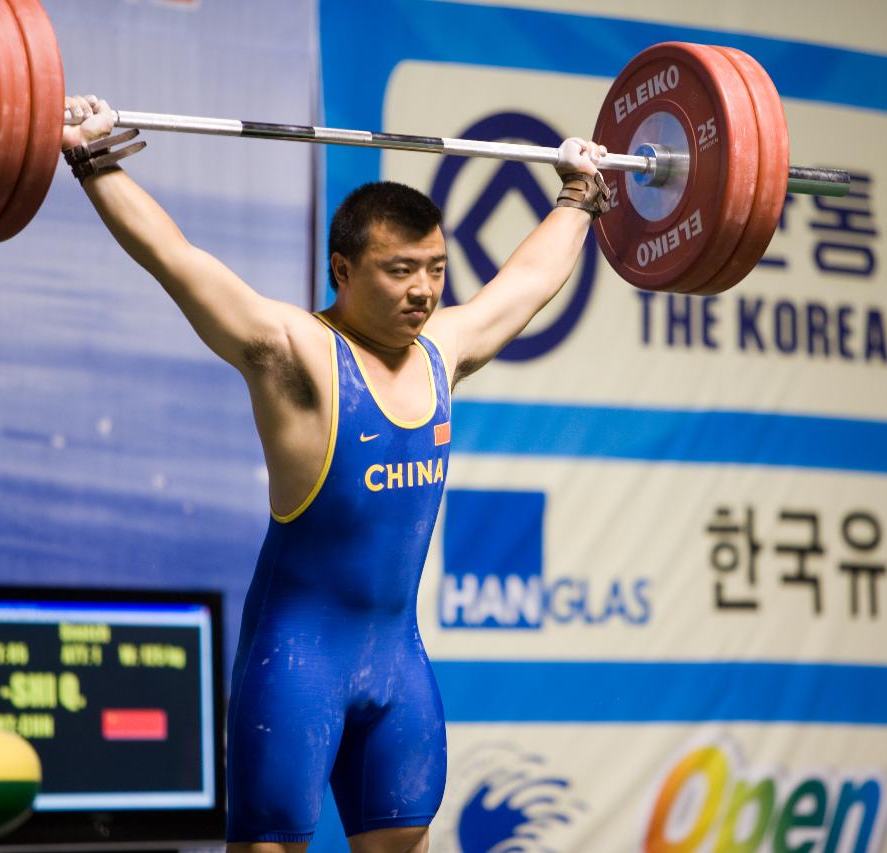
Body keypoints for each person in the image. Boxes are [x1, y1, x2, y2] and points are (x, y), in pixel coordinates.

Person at [61, 93, 610, 853]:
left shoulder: (442, 350)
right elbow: (178, 260)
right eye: (400, 271)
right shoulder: (292, 353)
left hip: (398, 668)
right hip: (295, 668)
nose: (423, 290)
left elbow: (525, 284)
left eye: (436, 270)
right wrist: (92, 160)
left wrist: (581, 195)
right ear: (342, 269)